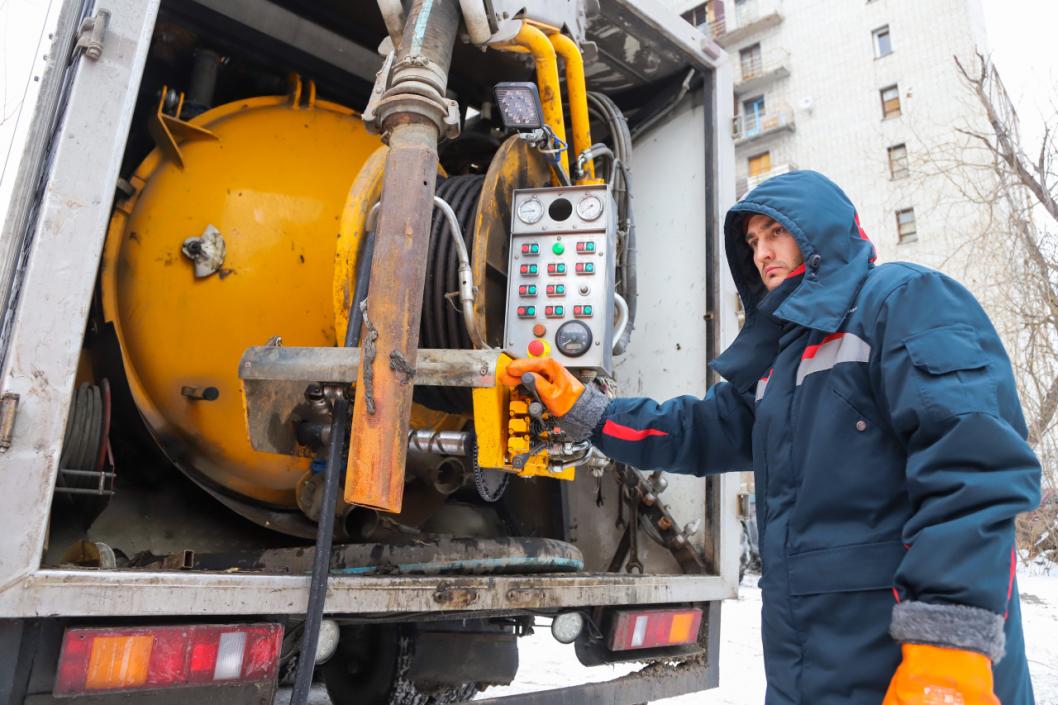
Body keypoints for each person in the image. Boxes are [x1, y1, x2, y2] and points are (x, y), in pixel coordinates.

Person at [502, 171, 1041, 704]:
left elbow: (973, 470)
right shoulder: (780, 364)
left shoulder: (905, 301)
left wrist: (948, 643)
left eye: (775, 232)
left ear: (820, 230)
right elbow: (691, 430)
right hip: (809, 659)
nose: (762, 253)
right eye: (753, 242)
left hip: (910, 656)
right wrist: (584, 408)